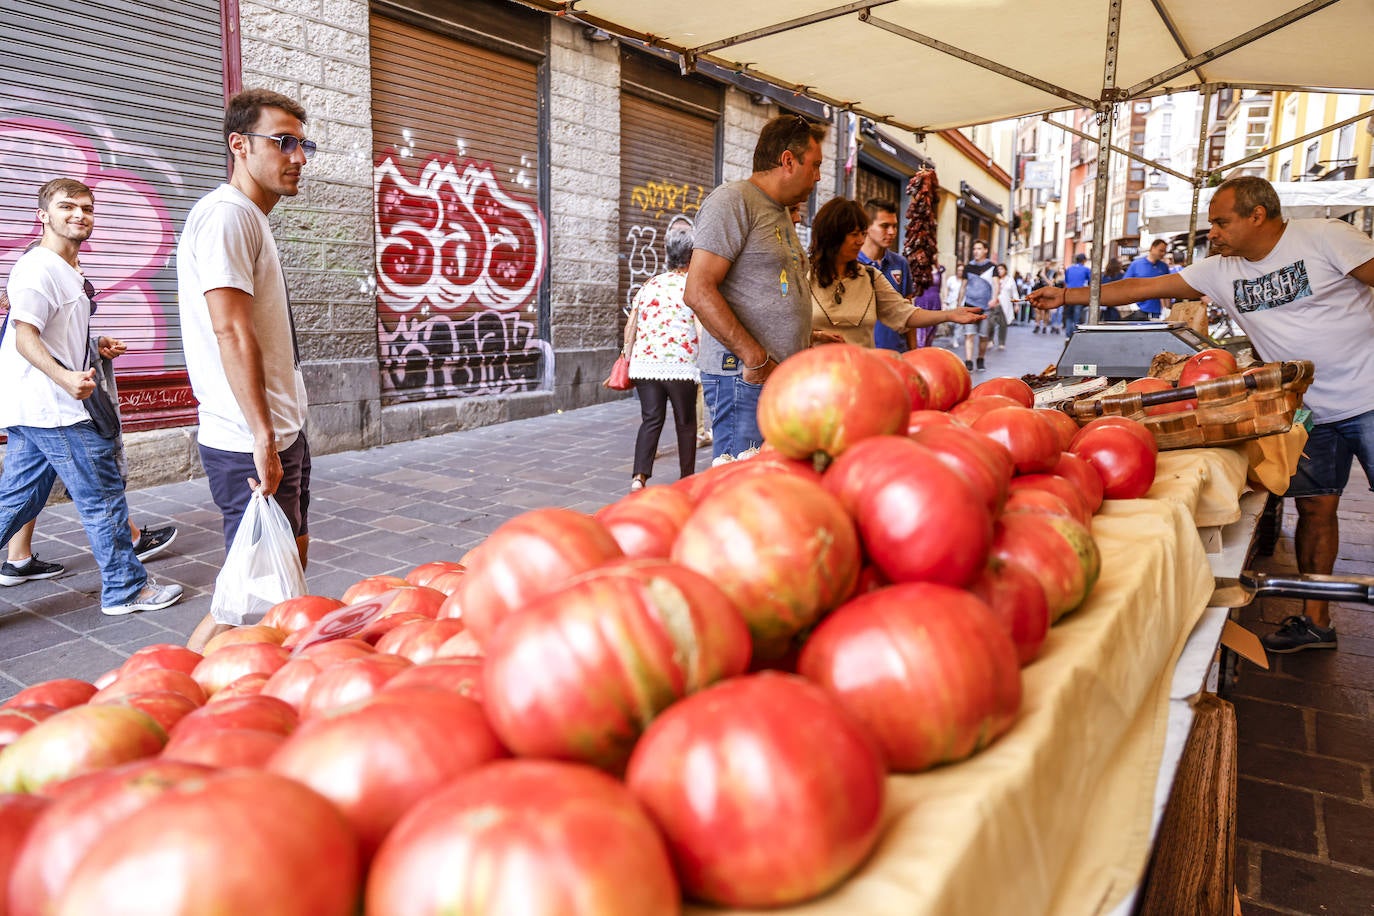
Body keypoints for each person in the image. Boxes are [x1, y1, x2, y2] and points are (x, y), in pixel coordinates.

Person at [1030, 175, 1374, 654]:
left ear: (1258, 215)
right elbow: (1141, 286)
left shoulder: (1327, 237)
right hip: (1306, 407)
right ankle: (1317, 622)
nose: (1212, 231)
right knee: (1316, 508)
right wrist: (1065, 296)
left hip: (1371, 395)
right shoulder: (1220, 269)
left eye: (1221, 221)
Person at [0, 178, 183, 616]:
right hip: (56, 407)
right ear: (43, 216)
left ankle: (122, 585)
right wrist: (64, 377)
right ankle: (125, 590)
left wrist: (95, 344)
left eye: (86, 207)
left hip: (38, 406)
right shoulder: (38, 267)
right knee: (102, 498)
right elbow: (25, 336)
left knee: (16, 500)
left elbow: (53, 333)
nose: (80, 214)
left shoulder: (69, 270)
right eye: (67, 207)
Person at [178, 89, 314, 652]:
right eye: (283, 142)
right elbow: (231, 330)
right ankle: (172, 693)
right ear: (239, 144)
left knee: (284, 584)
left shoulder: (249, 219)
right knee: (244, 606)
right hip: (249, 441)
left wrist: (281, 430)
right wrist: (262, 435)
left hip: (278, 432)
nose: (299, 156)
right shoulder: (228, 216)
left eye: (304, 144)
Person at [685, 114, 826, 461]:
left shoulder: (779, 212)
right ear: (788, 161)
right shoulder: (732, 201)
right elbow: (698, 291)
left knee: (772, 484)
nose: (819, 176)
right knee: (742, 489)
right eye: (815, 165)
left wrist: (805, 336)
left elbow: (769, 288)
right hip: (744, 380)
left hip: (775, 379)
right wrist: (756, 358)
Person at [807, 199, 982, 348]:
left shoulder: (870, 277)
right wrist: (814, 336)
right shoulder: (802, 276)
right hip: (814, 379)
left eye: (862, 233)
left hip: (860, 377)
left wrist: (949, 315)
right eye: (854, 234)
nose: (860, 241)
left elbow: (905, 313)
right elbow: (783, 329)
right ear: (832, 236)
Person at [624, 227, 698, 490]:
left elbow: (631, 324)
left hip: (645, 365)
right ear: (692, 256)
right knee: (686, 422)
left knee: (651, 419)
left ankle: (639, 477)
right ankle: (686, 478)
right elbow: (699, 326)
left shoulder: (650, 284)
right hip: (681, 364)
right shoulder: (693, 286)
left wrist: (627, 356)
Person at [856, 198, 916, 352]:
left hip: (897, 353)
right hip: (862, 356)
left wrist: (914, 353)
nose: (892, 232)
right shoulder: (851, 263)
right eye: (884, 226)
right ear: (867, 227)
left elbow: (909, 312)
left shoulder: (900, 263)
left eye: (894, 226)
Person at [960, 240, 998, 371]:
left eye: (979, 249)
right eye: (974, 249)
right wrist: (959, 304)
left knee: (983, 337)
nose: (976, 251)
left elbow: (996, 284)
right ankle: (969, 361)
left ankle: (980, 359)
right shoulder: (968, 267)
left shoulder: (992, 267)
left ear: (985, 250)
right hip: (970, 306)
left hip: (986, 308)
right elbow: (963, 286)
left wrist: (994, 298)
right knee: (969, 335)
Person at [1123, 239, 1173, 319]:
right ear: (1152, 248)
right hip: (1139, 310)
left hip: (1158, 312)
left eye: (1164, 251)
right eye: (1160, 250)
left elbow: (1167, 289)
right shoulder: (1136, 264)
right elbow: (1125, 285)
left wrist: (1167, 309)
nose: (1163, 254)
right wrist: (1133, 305)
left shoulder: (1164, 267)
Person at [913, 257, 945, 348]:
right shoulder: (919, 269)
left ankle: (926, 353)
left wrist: (945, 303)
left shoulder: (940, 270)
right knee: (920, 333)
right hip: (922, 301)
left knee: (931, 332)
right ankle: (918, 354)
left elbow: (943, 287)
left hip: (935, 302)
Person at [1062, 253, 1091, 336]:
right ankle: (1075, 334)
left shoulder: (1069, 269)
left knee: (1069, 315)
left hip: (1069, 295)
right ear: (1084, 261)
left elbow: (1066, 282)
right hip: (1079, 295)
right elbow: (1090, 282)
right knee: (1077, 316)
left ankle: (1068, 334)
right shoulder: (1086, 269)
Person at [992, 263, 1014, 349]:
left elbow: (1014, 292)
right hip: (994, 304)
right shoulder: (994, 279)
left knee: (1003, 325)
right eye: (998, 269)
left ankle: (1001, 342)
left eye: (1001, 269)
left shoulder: (1009, 280)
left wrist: (1016, 304)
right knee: (990, 323)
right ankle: (990, 340)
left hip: (1005, 305)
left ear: (1005, 270)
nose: (1000, 271)